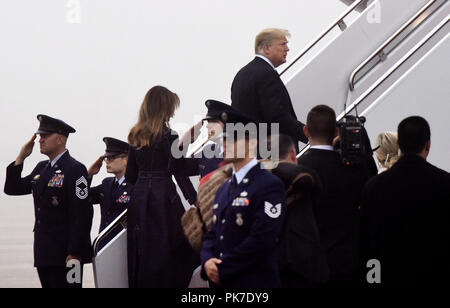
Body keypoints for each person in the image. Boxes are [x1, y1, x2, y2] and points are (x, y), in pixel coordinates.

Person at [359, 116, 450, 287]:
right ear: (428, 144)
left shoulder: (374, 187)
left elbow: (366, 242)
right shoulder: (445, 182)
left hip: (390, 275)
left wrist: (371, 278)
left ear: (399, 143)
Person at [4, 115, 93, 288]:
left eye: (45, 136)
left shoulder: (75, 169)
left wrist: (75, 252)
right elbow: (12, 188)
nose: (40, 140)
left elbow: (82, 213)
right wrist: (21, 158)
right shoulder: (41, 169)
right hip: (44, 253)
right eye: (40, 136)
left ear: (60, 139)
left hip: (67, 254)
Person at [200, 111, 286, 288]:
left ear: (253, 142)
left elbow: (262, 238)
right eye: (225, 139)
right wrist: (207, 261)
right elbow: (212, 233)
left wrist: (222, 268)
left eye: (233, 139)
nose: (226, 144)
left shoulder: (268, 184)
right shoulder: (224, 187)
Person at [125, 85, 199, 288]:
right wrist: (195, 199)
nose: (173, 112)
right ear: (164, 108)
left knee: (143, 255)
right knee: (176, 250)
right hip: (163, 199)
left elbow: (130, 175)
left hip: (140, 200)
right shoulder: (169, 135)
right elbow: (179, 169)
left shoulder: (135, 135)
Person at [297, 105, 375, 287]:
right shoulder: (354, 167)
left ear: (306, 131)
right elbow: (372, 186)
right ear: (335, 131)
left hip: (311, 263)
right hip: (348, 260)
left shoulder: (297, 170)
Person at [231, 28, 307, 151]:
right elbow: (277, 116)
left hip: (248, 150)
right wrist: (309, 134)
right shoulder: (267, 74)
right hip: (270, 152)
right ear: (266, 48)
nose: (287, 49)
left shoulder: (242, 74)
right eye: (283, 44)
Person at [269, 134, 329, 287]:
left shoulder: (258, 181)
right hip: (307, 263)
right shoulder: (306, 176)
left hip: (273, 262)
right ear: (293, 154)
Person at [87, 137, 132, 250]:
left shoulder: (135, 186)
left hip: (125, 246)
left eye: (112, 158)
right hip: (103, 246)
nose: (107, 161)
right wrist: (88, 175)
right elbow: (81, 197)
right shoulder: (106, 184)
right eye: (106, 158)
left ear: (126, 160)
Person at [170, 99, 232, 179]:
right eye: (208, 122)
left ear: (228, 125)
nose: (208, 126)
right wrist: (183, 144)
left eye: (214, 121)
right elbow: (178, 168)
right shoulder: (208, 151)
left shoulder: (238, 154)